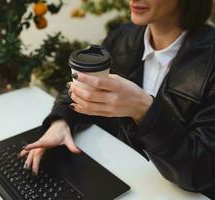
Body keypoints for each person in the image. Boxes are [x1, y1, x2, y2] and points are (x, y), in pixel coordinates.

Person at [20, 0, 215, 198]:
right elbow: (81, 87)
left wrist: (145, 110)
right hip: (116, 182)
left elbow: (202, 172)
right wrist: (61, 122)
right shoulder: (123, 36)